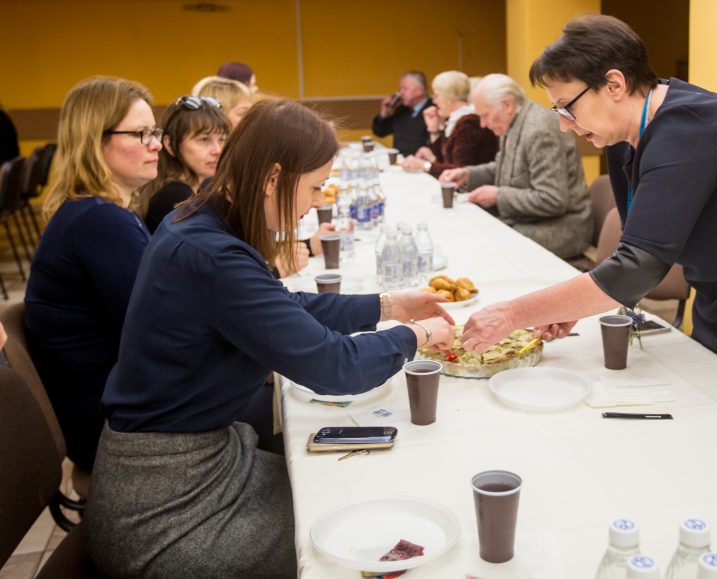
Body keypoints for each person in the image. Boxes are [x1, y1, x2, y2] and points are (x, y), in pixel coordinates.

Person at [86, 99, 454, 577]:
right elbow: (333, 367)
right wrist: (417, 335)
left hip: (194, 467)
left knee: (348, 486)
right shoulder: (213, 254)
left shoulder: (201, 221)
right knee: (354, 538)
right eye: (314, 187)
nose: (315, 201)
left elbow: (282, 308)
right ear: (273, 179)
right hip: (166, 510)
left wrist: (387, 306)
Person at [461, 14, 717, 424]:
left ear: (614, 84)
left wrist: (513, 314)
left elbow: (637, 267)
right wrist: (575, 303)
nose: (564, 126)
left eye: (567, 107)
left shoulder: (691, 130)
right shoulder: (624, 135)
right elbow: (639, 244)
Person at [24, 76, 161, 471]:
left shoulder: (102, 214)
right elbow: (164, 326)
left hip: (116, 408)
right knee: (282, 416)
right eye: (140, 133)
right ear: (93, 140)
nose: (156, 144)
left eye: (154, 131)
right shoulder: (98, 222)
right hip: (111, 428)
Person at [438, 73, 592, 260]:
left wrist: (498, 195)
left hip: (561, 228)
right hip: (531, 220)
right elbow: (504, 167)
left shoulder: (539, 130)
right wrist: (468, 174)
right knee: (469, 229)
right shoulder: (512, 121)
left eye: (485, 116)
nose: (483, 124)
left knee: (483, 246)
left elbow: (552, 199)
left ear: (507, 104)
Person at [140, 95, 229, 234]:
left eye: (222, 139)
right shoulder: (174, 195)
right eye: (204, 140)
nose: (217, 150)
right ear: (169, 144)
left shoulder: (196, 190)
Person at [401, 70, 499, 178]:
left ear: (449, 99)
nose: (434, 101)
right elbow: (442, 161)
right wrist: (434, 130)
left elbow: (460, 170)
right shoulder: (455, 120)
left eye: (437, 96)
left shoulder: (469, 123)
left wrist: (424, 165)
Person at [372, 71, 431, 156]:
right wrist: (384, 114)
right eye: (400, 89)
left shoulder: (433, 110)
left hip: (419, 162)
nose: (401, 93)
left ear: (420, 90)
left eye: (405, 89)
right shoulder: (401, 109)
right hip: (398, 162)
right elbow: (379, 132)